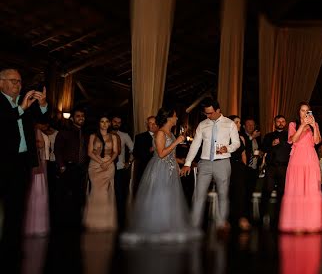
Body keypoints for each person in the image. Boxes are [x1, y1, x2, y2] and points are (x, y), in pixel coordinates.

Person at [120, 107, 201, 244]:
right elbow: (161, 154)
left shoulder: (170, 133)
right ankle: (156, 228)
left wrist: (181, 163)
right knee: (159, 197)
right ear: (169, 117)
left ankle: (168, 227)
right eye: (175, 116)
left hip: (170, 169)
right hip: (159, 169)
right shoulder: (160, 133)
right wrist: (177, 142)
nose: (176, 119)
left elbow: (171, 155)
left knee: (169, 198)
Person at [0, 69, 49, 251]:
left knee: (17, 206)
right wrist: (21, 108)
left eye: (20, 81)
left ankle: (11, 246)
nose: (18, 85)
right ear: (1, 82)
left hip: (22, 162)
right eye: (14, 81)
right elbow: (4, 119)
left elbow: (44, 119)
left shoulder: (25, 101)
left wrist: (43, 104)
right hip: (2, 161)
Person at [183, 99, 241, 232]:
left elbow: (237, 143)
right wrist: (187, 163)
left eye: (210, 113)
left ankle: (221, 224)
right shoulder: (202, 125)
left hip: (223, 163)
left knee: (223, 193)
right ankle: (194, 225)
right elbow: (195, 145)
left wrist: (228, 148)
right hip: (204, 163)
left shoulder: (229, 123)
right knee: (198, 194)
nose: (208, 116)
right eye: (206, 114)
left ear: (218, 110)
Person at [280, 102, 322, 233]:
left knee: (310, 189)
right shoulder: (293, 125)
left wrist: (313, 126)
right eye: (302, 110)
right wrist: (303, 125)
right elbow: (293, 139)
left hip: (310, 158)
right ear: (298, 112)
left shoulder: (314, 125)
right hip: (297, 158)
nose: (305, 112)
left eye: (307, 110)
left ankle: (311, 223)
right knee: (297, 189)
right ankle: (296, 224)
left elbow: (317, 141)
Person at [84, 116, 120, 231]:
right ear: (99, 123)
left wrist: (108, 162)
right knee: (96, 191)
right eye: (102, 121)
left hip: (109, 165)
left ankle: (105, 221)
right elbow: (89, 152)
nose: (104, 124)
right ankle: (93, 221)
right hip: (95, 165)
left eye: (106, 121)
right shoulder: (93, 136)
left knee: (105, 192)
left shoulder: (113, 137)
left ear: (109, 124)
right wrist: (101, 162)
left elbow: (115, 152)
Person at [260, 115, 291, 227]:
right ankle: (262, 217)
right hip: (271, 168)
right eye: (279, 121)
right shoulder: (269, 136)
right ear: (275, 123)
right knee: (266, 192)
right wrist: (271, 144)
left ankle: (278, 219)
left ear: (285, 123)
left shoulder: (290, 136)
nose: (281, 123)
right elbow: (263, 149)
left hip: (284, 168)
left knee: (282, 194)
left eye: (283, 121)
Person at [226, 115, 251, 231]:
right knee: (228, 192)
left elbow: (243, 154)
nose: (239, 125)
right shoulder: (224, 136)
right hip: (227, 165)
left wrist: (244, 166)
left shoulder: (241, 137)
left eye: (240, 122)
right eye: (236, 122)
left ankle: (241, 218)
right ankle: (227, 220)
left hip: (238, 166)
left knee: (241, 191)